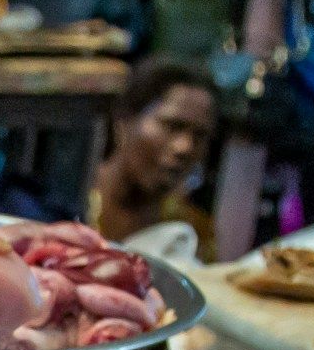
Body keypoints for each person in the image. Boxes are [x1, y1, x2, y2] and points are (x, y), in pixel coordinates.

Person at [87, 60, 218, 248]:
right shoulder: (63, 208)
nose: (185, 147)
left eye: (200, 136)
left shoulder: (191, 233)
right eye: (172, 126)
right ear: (123, 121)